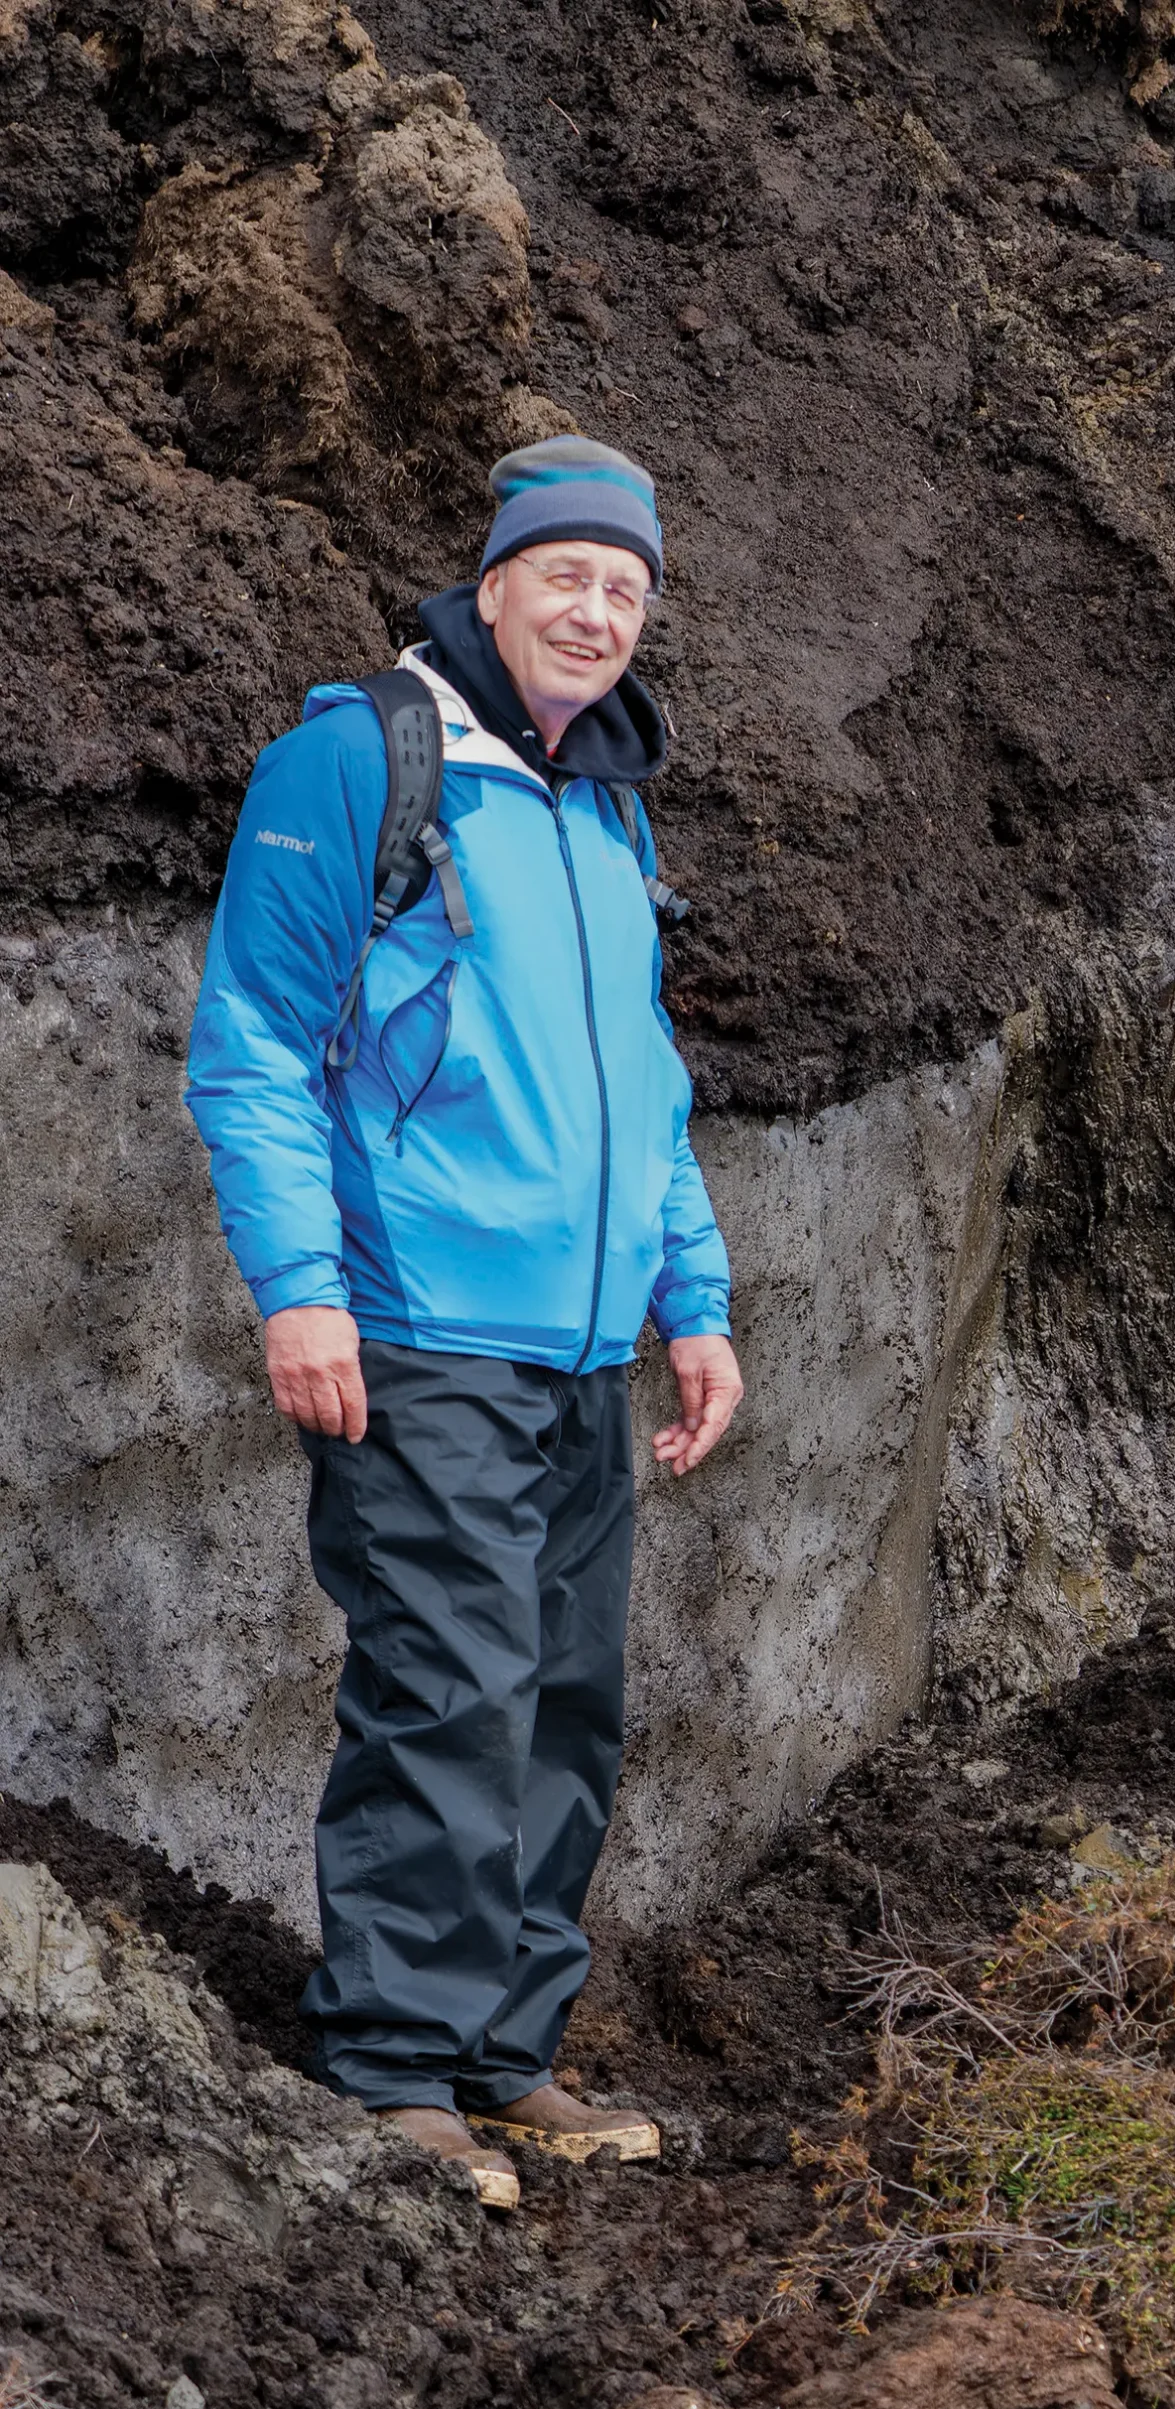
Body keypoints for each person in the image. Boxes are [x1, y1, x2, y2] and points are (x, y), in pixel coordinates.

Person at [187, 434, 743, 2209]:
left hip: (584, 1352)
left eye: (625, 588)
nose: (594, 610)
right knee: (449, 1691)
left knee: (567, 1704)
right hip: (418, 1329)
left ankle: (503, 2054)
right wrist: (299, 1294)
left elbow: (642, 1086)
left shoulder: (605, 801)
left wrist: (695, 1297)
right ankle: (393, 2070)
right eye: (566, 574)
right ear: (492, 580)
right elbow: (255, 1049)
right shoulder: (362, 756)